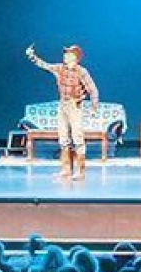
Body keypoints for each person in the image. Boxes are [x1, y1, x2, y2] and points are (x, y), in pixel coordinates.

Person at [25, 44, 99, 181]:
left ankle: (80, 172)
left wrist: (94, 108)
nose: (65, 56)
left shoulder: (81, 72)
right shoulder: (60, 69)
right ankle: (66, 170)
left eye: (69, 54)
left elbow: (93, 90)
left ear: (75, 57)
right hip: (63, 105)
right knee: (63, 139)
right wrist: (32, 56)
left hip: (75, 106)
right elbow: (45, 65)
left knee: (78, 139)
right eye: (65, 54)